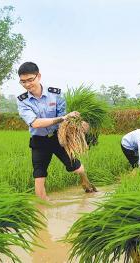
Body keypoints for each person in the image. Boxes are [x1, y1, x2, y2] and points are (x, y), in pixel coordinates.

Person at [16, 62, 96, 200]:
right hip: (39, 141)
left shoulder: (55, 94)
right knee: (39, 174)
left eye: (30, 80)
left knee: (77, 168)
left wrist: (79, 123)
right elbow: (35, 123)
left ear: (38, 76)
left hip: (58, 138)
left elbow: (66, 118)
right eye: (23, 82)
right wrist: (63, 118)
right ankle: (43, 205)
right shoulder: (22, 101)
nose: (27, 85)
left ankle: (85, 180)